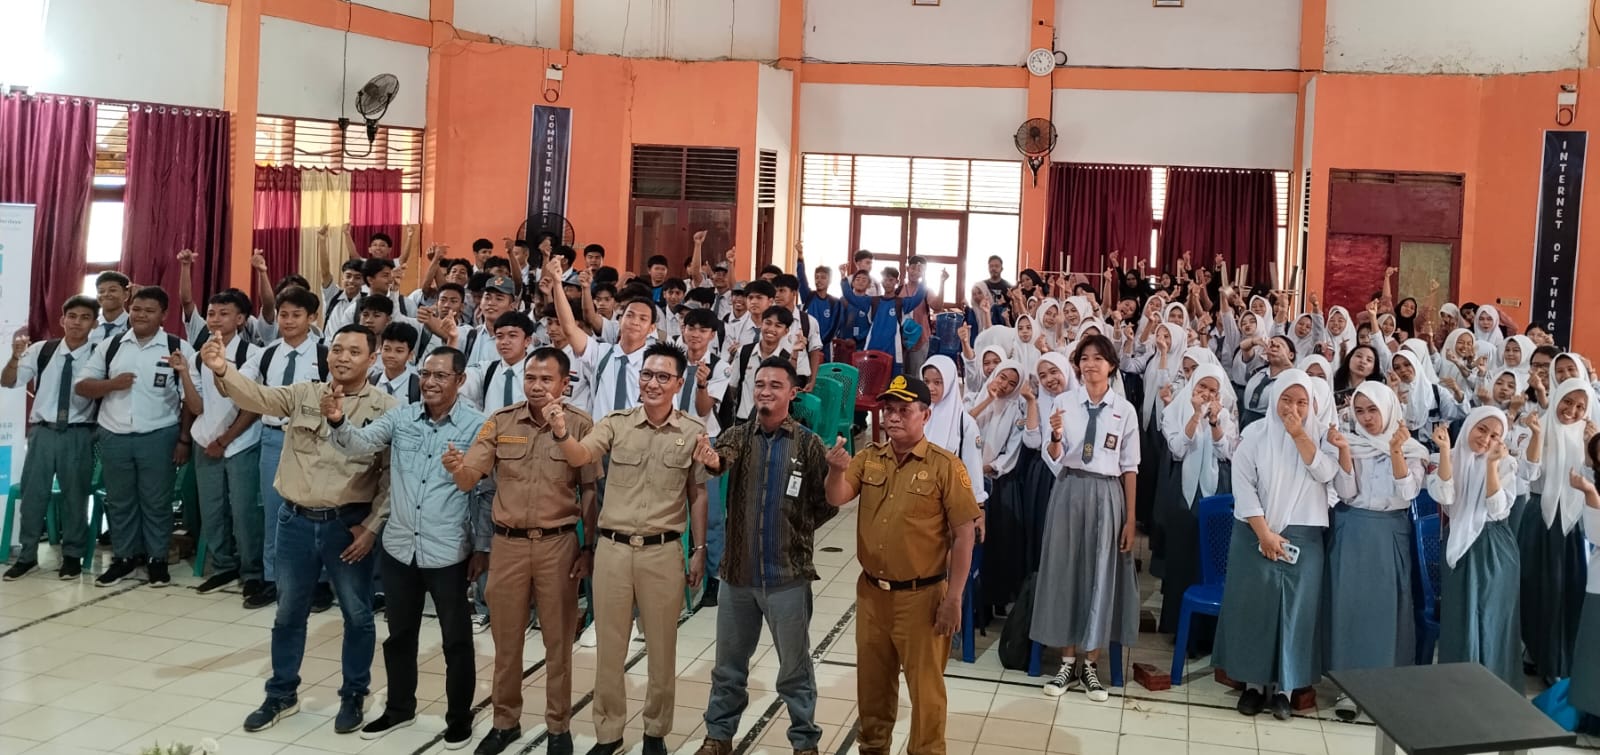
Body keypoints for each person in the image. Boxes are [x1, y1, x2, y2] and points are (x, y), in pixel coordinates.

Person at [203, 325, 396, 736]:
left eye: (354, 351)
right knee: (289, 613)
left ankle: (353, 694)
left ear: (372, 358)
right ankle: (281, 693)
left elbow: (390, 477)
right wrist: (222, 370)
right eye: (337, 349)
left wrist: (371, 528)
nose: (343, 357)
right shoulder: (303, 393)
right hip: (294, 521)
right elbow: (257, 397)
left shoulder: (386, 408)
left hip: (347, 526)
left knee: (357, 615)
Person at [544, 343, 709, 755]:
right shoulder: (616, 424)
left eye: (663, 377)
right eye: (647, 374)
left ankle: (655, 732)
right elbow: (581, 455)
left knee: (662, 649)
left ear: (679, 383)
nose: (653, 383)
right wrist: (561, 432)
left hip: (663, 552)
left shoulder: (692, 432)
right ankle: (609, 732)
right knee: (610, 648)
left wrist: (699, 548)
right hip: (614, 551)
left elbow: (698, 494)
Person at [325, 346, 486, 750]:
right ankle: (399, 708)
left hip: (447, 551)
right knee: (399, 635)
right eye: (425, 374)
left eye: (440, 376)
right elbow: (359, 443)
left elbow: (485, 492)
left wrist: (482, 548)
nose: (430, 382)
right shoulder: (401, 417)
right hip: (399, 547)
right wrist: (338, 420)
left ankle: (458, 717)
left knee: (456, 640)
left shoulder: (477, 425)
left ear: (460, 380)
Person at [825, 375, 980, 755]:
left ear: (925, 415)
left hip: (921, 598)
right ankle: (873, 748)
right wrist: (835, 470)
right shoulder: (870, 458)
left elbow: (965, 535)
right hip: (872, 595)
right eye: (889, 410)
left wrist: (954, 598)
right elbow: (838, 497)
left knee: (926, 694)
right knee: (873, 688)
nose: (893, 417)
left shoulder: (946, 466)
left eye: (903, 410)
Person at [454, 347, 599, 755]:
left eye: (546, 379)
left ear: (564, 384)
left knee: (558, 643)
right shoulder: (501, 421)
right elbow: (469, 478)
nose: (536, 386)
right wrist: (456, 468)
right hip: (508, 546)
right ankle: (505, 722)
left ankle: (558, 727)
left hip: (558, 545)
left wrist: (589, 546)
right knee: (506, 641)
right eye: (530, 378)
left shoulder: (579, 423)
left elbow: (590, 489)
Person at [690, 358, 835, 755]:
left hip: (787, 576)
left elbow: (825, 504)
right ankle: (718, 736)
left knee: (795, 669)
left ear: (793, 392)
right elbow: (721, 459)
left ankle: (804, 742)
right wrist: (712, 460)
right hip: (737, 575)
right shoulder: (738, 435)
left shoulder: (808, 444)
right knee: (728, 667)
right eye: (760, 384)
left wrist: (795, 532)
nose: (765, 391)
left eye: (775, 385)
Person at [1215, 370, 1341, 720]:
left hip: (1303, 536)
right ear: (1275, 399)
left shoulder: (1324, 436)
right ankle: (1253, 686)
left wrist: (1300, 434)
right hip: (1254, 532)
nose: (1293, 409)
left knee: (1295, 612)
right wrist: (1264, 534)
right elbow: (1243, 486)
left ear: (1312, 405)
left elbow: (1326, 474)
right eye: (1286, 400)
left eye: (1302, 403)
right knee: (1254, 609)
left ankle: (1285, 689)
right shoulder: (1254, 435)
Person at [1034, 335, 1141, 702]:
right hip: (1070, 489)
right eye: (1084, 358)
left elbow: (1130, 467)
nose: (1090, 364)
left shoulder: (1124, 410)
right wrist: (1055, 436)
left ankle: (1091, 664)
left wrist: (1130, 519)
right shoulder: (1064, 403)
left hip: (1108, 493)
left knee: (1101, 573)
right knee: (1065, 570)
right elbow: (1054, 454)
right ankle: (1066, 661)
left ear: (1111, 365)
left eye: (1098, 358)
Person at [76, 286, 202, 588]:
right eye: (136, 309)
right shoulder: (111, 345)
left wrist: (184, 439)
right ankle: (124, 558)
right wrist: (112, 384)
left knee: (156, 502)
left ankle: (157, 559)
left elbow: (193, 402)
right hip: (114, 435)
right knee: (120, 501)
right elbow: (82, 385)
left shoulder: (178, 347)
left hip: (159, 435)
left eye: (149, 311)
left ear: (163, 315)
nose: (141, 315)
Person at [1325, 383, 1428, 719]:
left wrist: (1395, 451)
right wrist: (1343, 451)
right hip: (1352, 529)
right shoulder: (1351, 443)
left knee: (1385, 608)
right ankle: (1347, 688)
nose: (1367, 418)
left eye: (1373, 410)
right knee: (1348, 607)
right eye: (1360, 411)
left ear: (1388, 409)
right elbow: (1346, 492)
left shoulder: (1412, 449)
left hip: (1388, 532)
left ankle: (1382, 685)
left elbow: (1408, 492)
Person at [241, 285, 328, 610]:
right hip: (273, 438)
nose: (288, 321)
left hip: (312, 441)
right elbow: (241, 386)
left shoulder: (326, 354)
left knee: (316, 511)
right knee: (274, 510)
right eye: (284, 315)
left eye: (296, 315)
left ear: (312, 317)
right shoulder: (265, 353)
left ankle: (319, 582)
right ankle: (272, 578)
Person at [2, 296, 101, 581]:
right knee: (33, 496)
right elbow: (8, 381)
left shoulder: (100, 354)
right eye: (72, 316)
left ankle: (72, 556)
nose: (77, 322)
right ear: (62, 320)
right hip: (43, 432)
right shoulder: (42, 350)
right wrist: (15, 357)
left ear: (94, 324)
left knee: (75, 497)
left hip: (79, 433)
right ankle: (27, 555)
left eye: (85, 317)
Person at [1429, 409, 1524, 691]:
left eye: (1495, 435)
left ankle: (1494, 690)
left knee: (1492, 619)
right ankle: (1458, 689)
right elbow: (1445, 496)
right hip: (1457, 545)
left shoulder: (1507, 464)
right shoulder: (1449, 457)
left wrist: (1492, 466)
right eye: (1481, 429)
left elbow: (1497, 509)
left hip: (1494, 547)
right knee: (1460, 617)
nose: (1486, 439)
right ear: (1469, 426)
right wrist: (1444, 451)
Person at [189, 291, 266, 595]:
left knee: (245, 512)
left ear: (240, 319)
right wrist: (183, 374)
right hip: (205, 441)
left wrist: (224, 439)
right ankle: (223, 566)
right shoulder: (199, 356)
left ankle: (252, 571)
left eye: (224, 313)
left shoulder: (253, 354)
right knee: (212, 510)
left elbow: (253, 404)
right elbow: (196, 405)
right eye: (211, 313)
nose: (216, 319)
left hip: (241, 443)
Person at [1565, 435, 1600, 731]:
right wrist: (1590, 492)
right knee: (1594, 651)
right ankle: (1592, 713)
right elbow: (1597, 535)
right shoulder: (1593, 487)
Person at [90, 270, 132, 343]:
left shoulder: (134, 326)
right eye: (101, 291)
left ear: (126, 295)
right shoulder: (88, 325)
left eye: (112, 290)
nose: (106, 294)